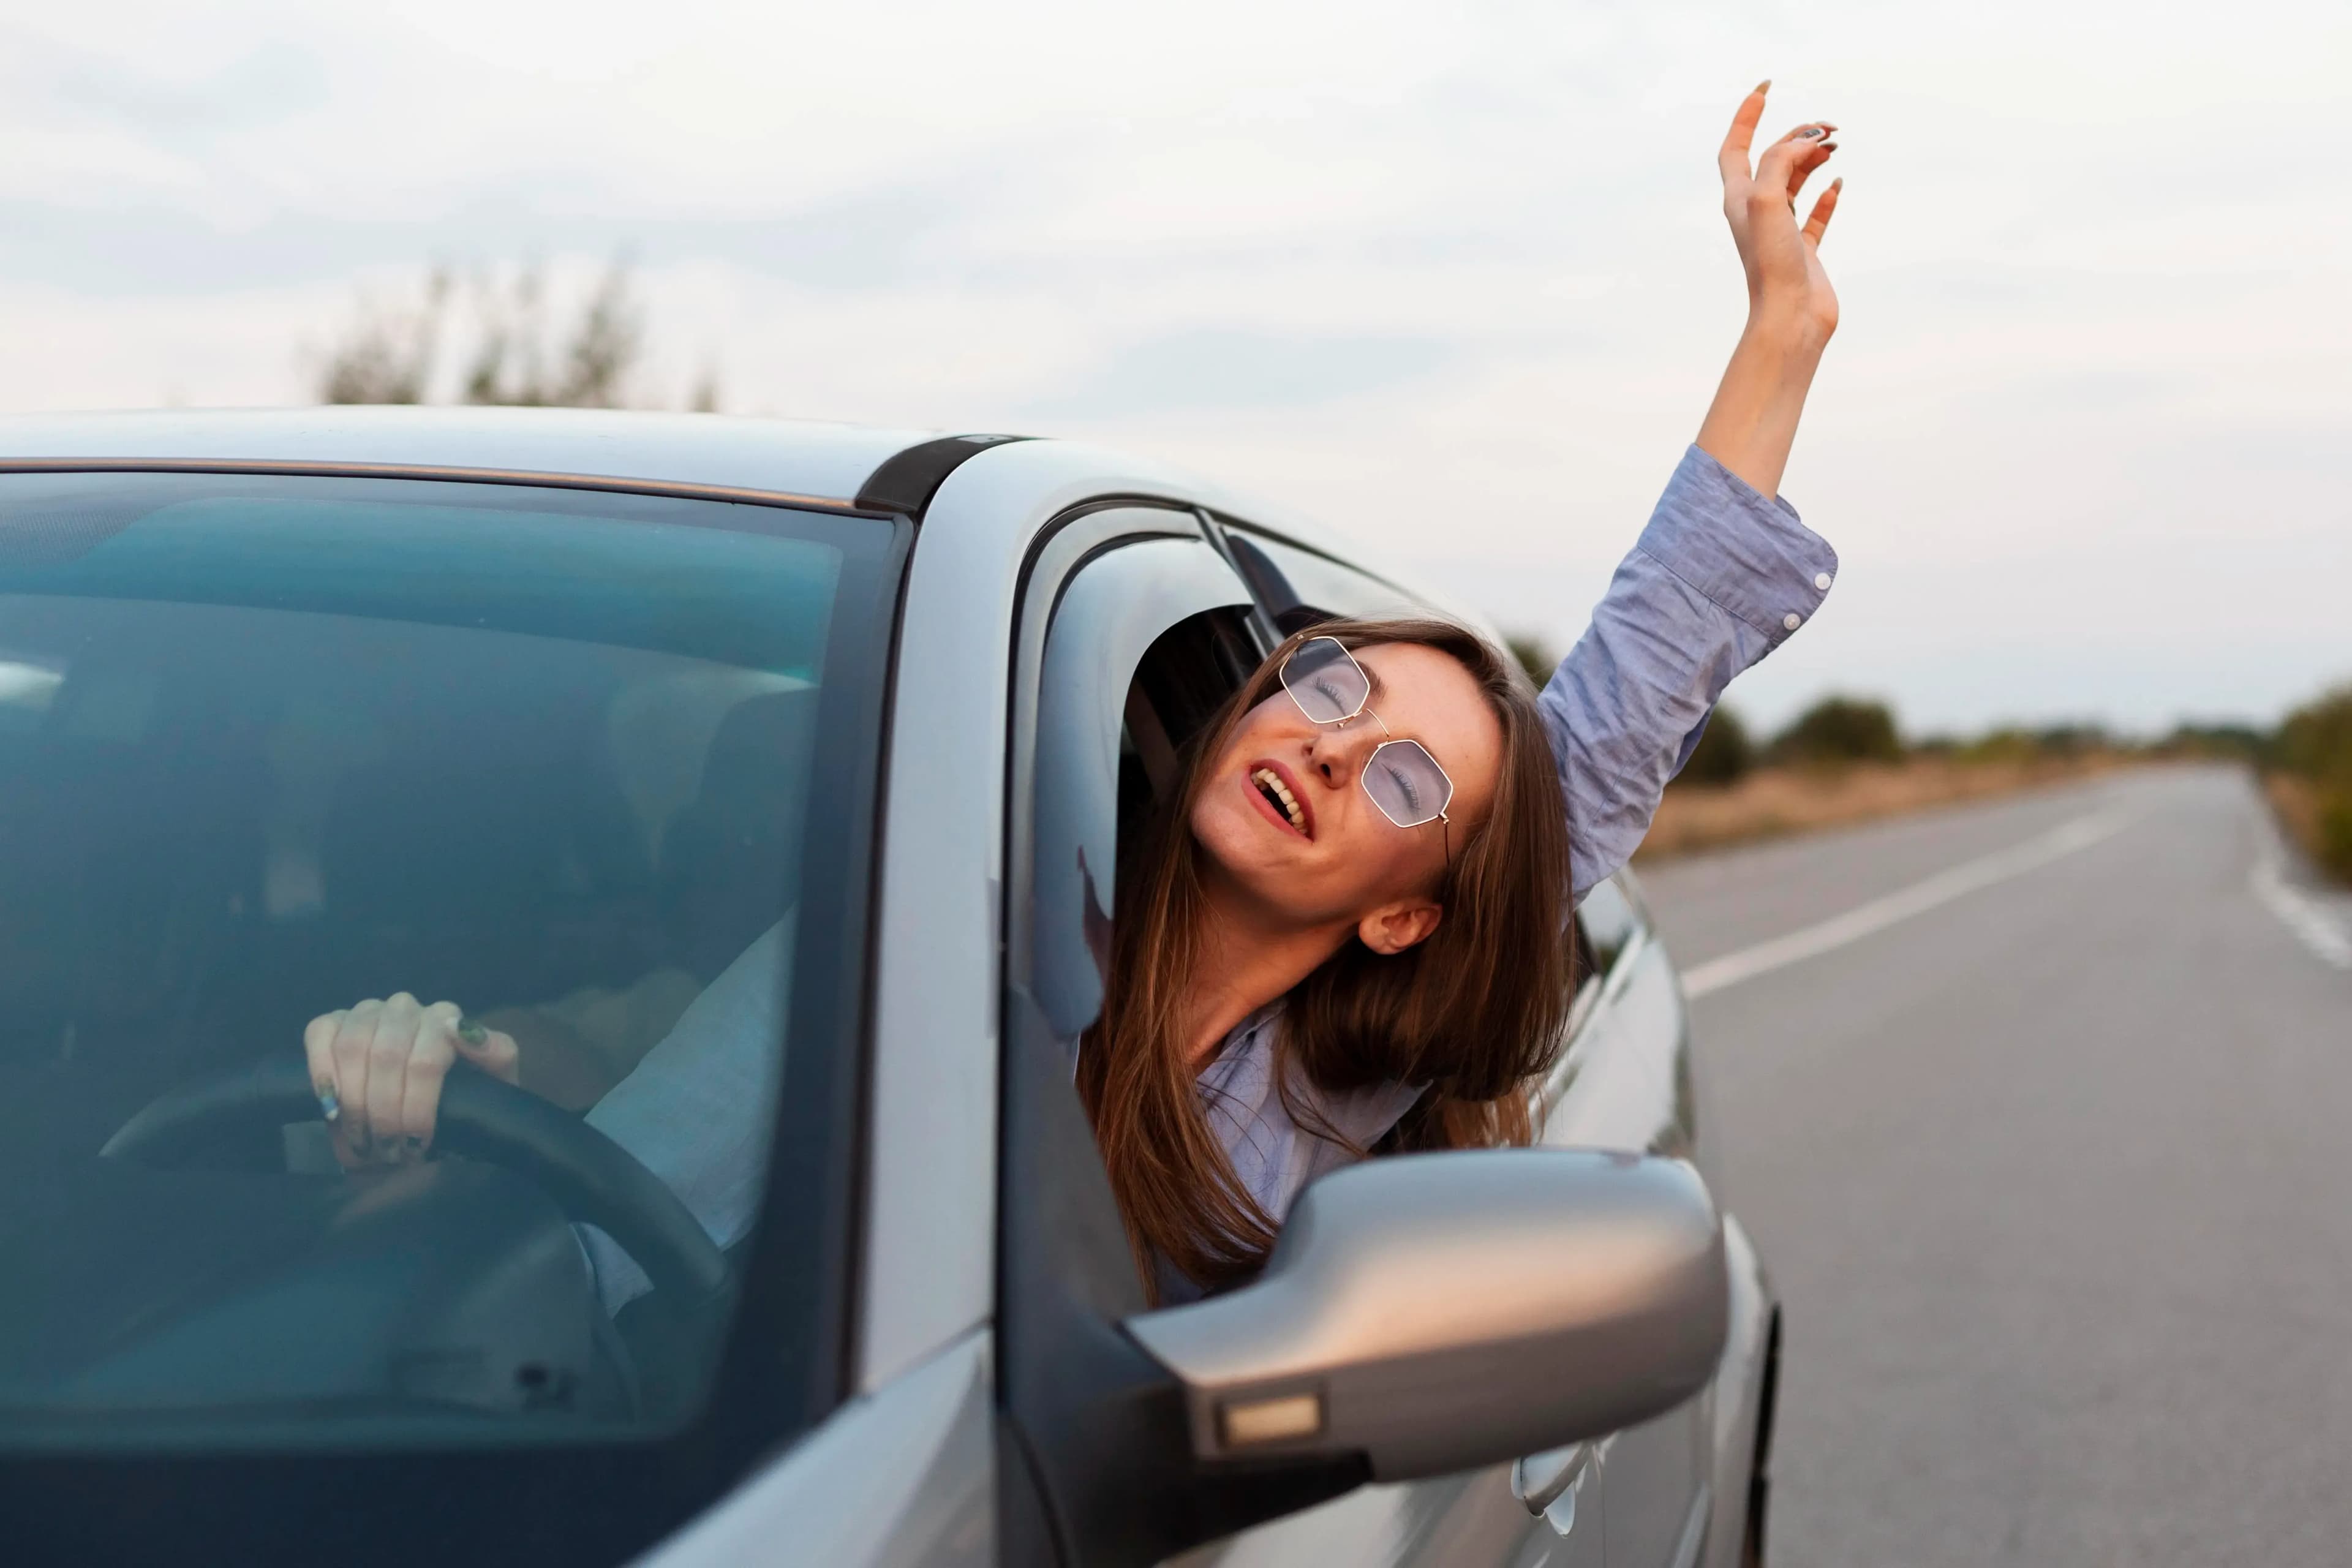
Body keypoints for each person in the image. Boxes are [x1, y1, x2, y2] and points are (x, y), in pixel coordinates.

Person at [302, 83, 1845, 1308]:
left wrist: (1783, 333)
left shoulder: (1340, 1094)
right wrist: (416, 1128)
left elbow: (1633, 686)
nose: (1332, 744)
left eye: (1404, 781)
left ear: (1408, 913)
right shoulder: (911, 945)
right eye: (1332, 686)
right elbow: (608, 1246)